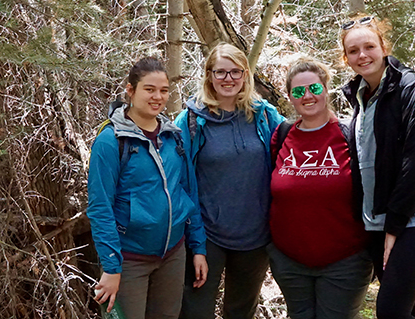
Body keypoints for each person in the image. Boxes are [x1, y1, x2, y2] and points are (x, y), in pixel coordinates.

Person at [339, 13, 415, 319]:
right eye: (353, 51)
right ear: (346, 58)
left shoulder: (411, 87)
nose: (362, 55)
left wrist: (394, 226)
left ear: (383, 47)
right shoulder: (361, 97)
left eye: (369, 46)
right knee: (406, 308)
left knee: (390, 309)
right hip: (380, 220)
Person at [88, 57, 208, 319]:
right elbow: (100, 208)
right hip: (129, 259)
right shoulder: (111, 141)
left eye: (164, 90)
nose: (158, 97)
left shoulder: (173, 136)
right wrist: (111, 267)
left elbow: (188, 193)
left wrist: (198, 247)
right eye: (149, 89)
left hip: (173, 254)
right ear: (130, 91)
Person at [175, 43, 285, 319]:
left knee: (241, 312)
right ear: (209, 75)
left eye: (235, 72)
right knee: (195, 311)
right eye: (220, 72)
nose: (228, 79)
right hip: (207, 235)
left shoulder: (264, 115)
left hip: (255, 236)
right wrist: (195, 242)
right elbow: (177, 182)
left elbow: (299, 138)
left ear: (246, 75)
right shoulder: (190, 120)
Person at [267, 58, 372, 319]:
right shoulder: (282, 135)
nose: (308, 96)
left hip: (345, 261)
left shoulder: (352, 133)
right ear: (290, 97)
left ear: (326, 89)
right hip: (289, 261)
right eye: (298, 91)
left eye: (314, 88)